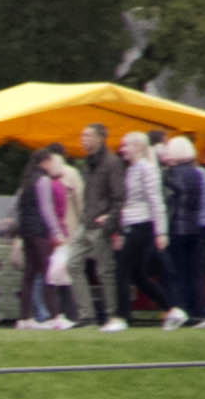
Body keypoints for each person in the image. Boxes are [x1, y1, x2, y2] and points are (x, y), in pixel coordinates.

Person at [119, 130, 175, 327]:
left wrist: (161, 232)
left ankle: (121, 317)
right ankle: (171, 310)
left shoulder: (147, 169)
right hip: (133, 223)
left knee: (122, 270)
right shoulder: (132, 169)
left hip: (142, 224)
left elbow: (156, 201)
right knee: (138, 275)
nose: (122, 149)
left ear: (137, 147)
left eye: (126, 145)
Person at [16, 144, 75, 330]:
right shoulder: (43, 180)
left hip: (26, 231)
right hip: (39, 231)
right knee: (49, 274)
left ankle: (24, 318)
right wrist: (56, 232)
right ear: (45, 162)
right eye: (51, 161)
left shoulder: (27, 181)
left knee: (29, 274)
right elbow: (46, 208)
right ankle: (56, 316)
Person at [75, 123, 127, 329]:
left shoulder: (112, 163)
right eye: (82, 136)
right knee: (72, 263)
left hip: (100, 224)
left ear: (99, 138)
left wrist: (111, 221)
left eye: (87, 136)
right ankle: (87, 315)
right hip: (86, 222)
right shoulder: (88, 163)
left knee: (105, 270)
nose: (83, 139)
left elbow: (119, 197)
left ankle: (112, 315)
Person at [161, 135, 205, 327]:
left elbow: (169, 201)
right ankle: (197, 310)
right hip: (195, 229)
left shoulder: (170, 174)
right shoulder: (199, 174)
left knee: (178, 273)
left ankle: (182, 311)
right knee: (194, 274)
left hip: (176, 229)